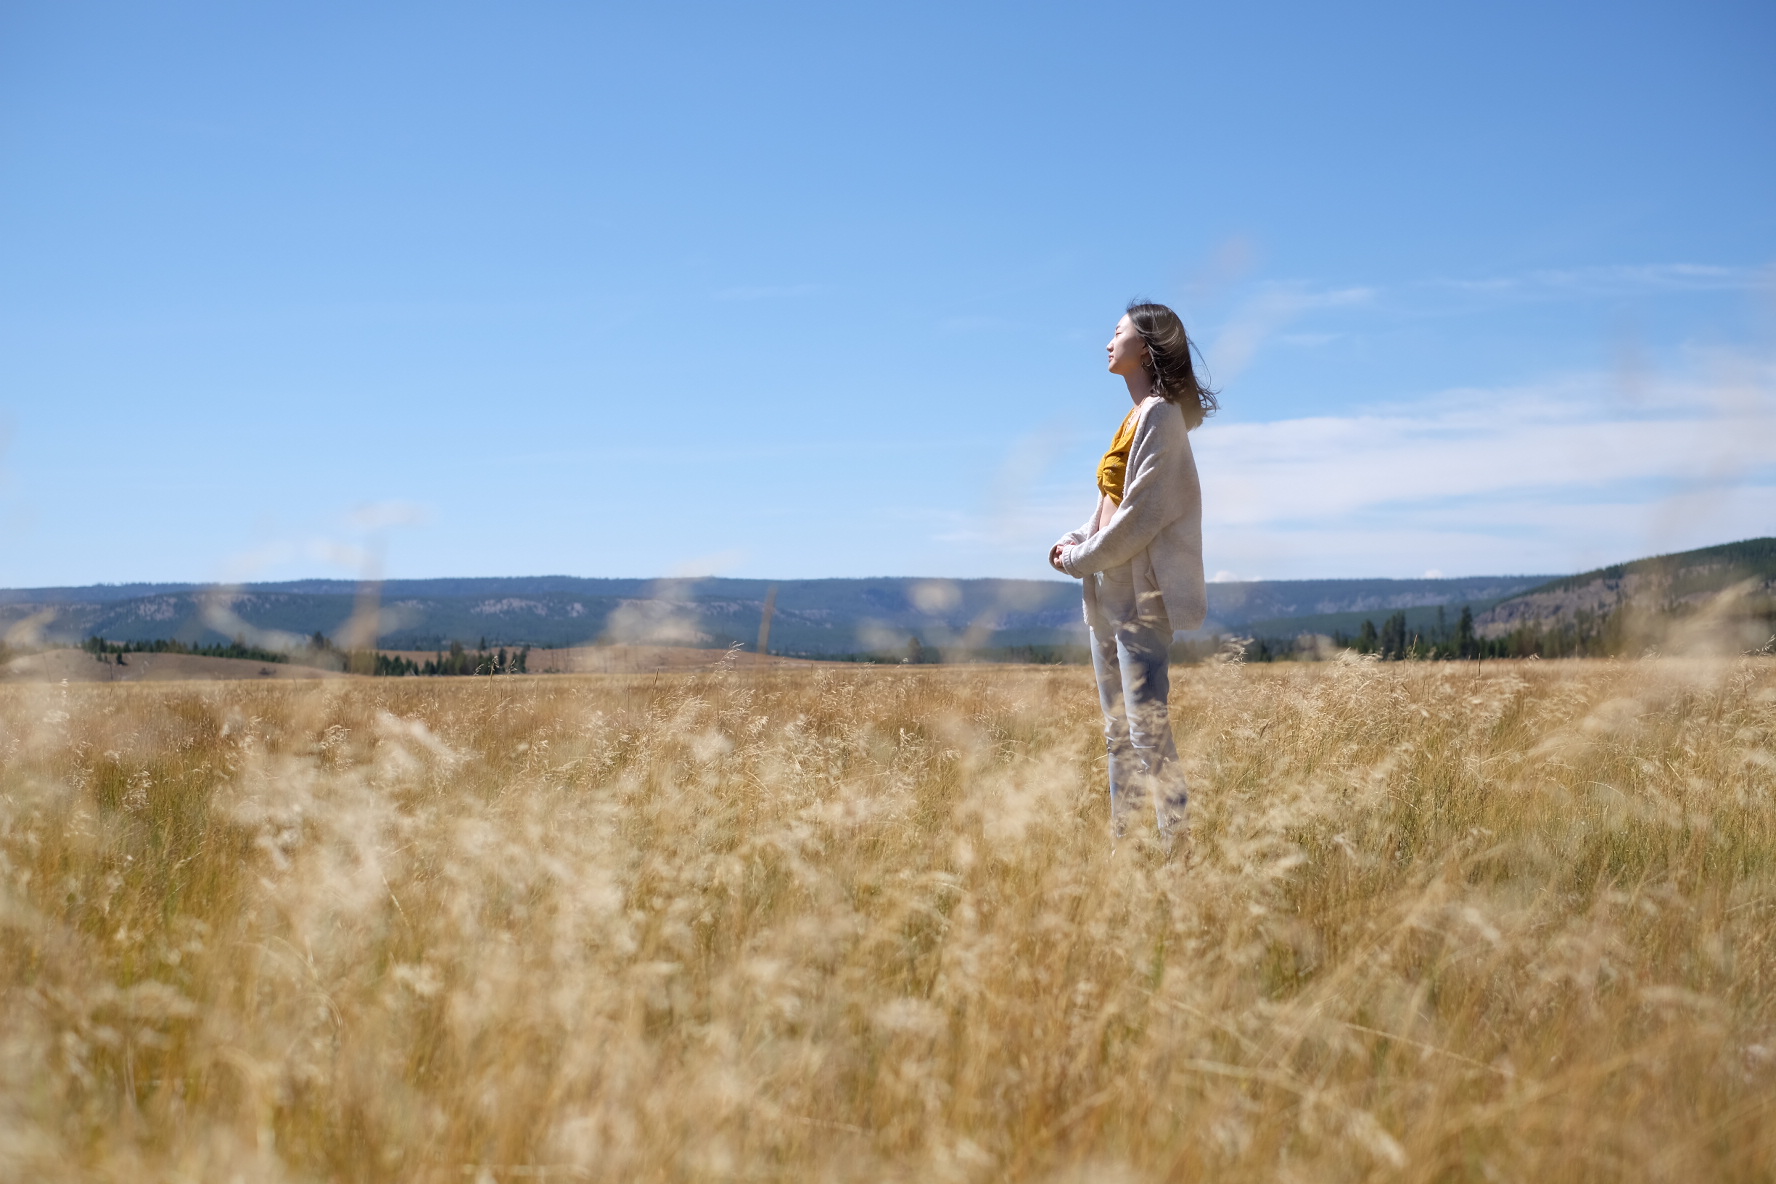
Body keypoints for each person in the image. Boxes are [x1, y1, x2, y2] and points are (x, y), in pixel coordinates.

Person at [1050, 300, 1216, 847]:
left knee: (1146, 734)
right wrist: (1076, 538)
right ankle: (1124, 853)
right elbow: (1112, 504)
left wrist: (1078, 558)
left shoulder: (1161, 417)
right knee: (1118, 736)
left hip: (1142, 600)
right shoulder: (1135, 417)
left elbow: (1141, 517)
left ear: (1144, 346)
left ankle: (1180, 851)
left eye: (1116, 333)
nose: (1107, 342)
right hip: (1109, 596)